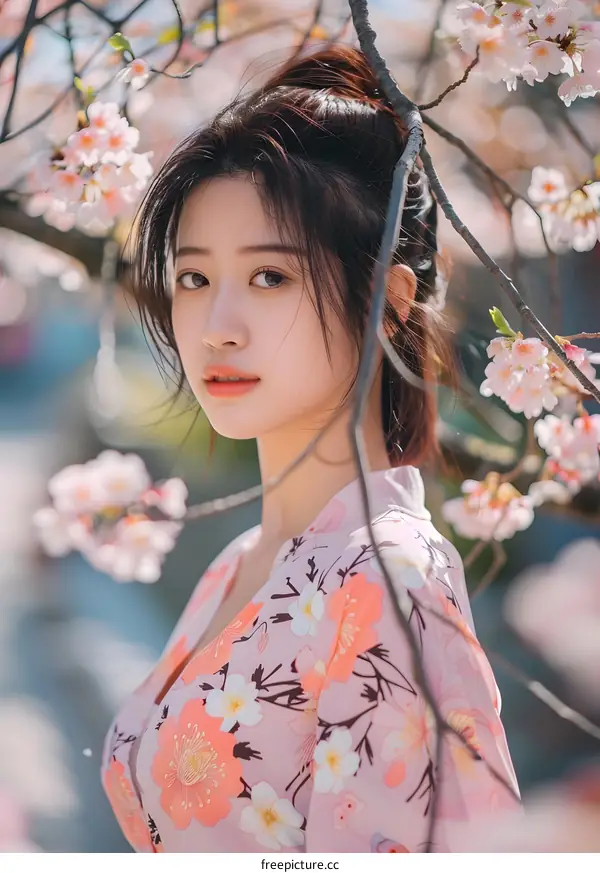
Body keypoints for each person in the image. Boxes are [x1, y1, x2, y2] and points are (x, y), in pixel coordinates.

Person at [100, 45, 521, 853]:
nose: (217, 324)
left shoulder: (386, 577)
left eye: (269, 278)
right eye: (194, 279)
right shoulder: (242, 561)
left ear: (388, 301)